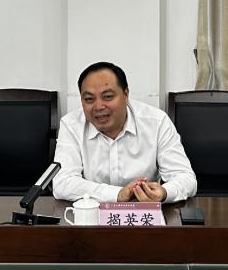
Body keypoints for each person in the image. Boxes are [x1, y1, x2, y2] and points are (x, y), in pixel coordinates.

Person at [52, 61, 197, 203]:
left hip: (145, 213)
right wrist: (117, 195)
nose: (99, 106)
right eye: (89, 99)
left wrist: (164, 193)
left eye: (108, 97)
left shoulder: (157, 122)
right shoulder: (71, 125)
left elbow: (185, 178)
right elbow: (62, 183)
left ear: (125, 94)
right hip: (92, 214)